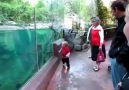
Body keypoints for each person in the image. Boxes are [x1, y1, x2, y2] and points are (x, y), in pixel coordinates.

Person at [108, 1, 127, 89]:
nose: (112, 13)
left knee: (120, 87)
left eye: (112, 10)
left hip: (121, 62)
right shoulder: (121, 22)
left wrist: (118, 59)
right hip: (119, 61)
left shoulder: (126, 23)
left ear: (116, 9)